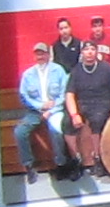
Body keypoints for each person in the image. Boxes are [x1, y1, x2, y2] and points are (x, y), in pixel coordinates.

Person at [65, 24, 110, 172]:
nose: (89, 52)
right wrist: (74, 115)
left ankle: (98, 158)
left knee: (98, 120)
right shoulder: (76, 71)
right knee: (66, 123)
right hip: (82, 103)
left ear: (96, 52)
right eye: (86, 50)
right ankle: (76, 159)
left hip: (102, 103)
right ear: (82, 53)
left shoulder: (106, 68)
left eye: (92, 49)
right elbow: (70, 94)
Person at [14, 42, 70, 184]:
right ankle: (29, 166)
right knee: (19, 132)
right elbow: (24, 96)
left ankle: (61, 164)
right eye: (37, 53)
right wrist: (41, 106)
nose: (40, 56)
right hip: (35, 111)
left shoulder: (58, 70)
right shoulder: (27, 74)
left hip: (56, 110)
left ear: (48, 54)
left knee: (56, 129)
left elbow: (64, 93)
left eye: (42, 53)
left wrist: (51, 110)